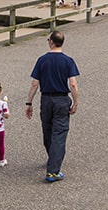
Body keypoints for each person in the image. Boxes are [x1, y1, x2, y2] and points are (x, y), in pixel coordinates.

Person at [25, 31, 80, 183]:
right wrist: (76, 101)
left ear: (51, 42)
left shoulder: (42, 60)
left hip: (46, 99)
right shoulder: (68, 61)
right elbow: (73, 83)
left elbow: (35, 83)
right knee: (59, 134)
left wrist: (29, 102)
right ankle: (53, 170)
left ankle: (52, 159)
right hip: (61, 99)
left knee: (48, 131)